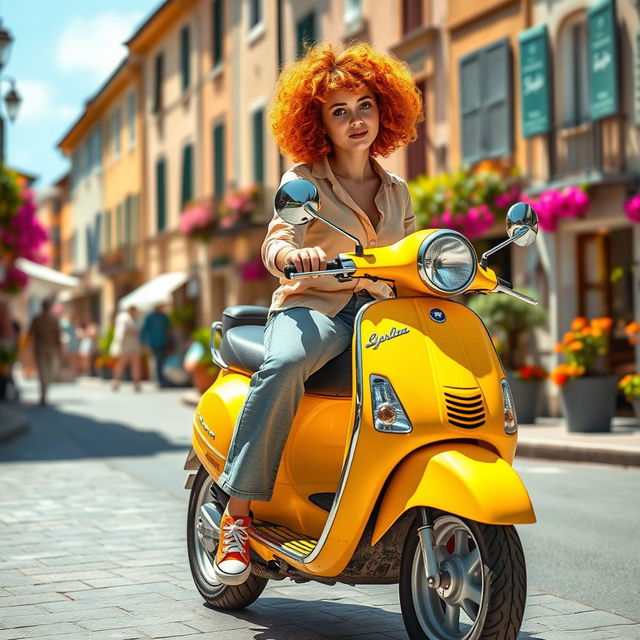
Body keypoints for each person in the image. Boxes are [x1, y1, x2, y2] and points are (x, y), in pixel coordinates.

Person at [212, 42, 422, 585]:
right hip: (315, 306)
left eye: (365, 105)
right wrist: (292, 255)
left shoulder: (397, 190)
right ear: (318, 123)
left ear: (385, 110)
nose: (356, 120)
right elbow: (276, 243)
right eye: (339, 111)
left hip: (380, 312)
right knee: (284, 365)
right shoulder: (302, 181)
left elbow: (411, 253)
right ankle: (236, 515)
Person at [27, 299, 62, 405]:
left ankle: (44, 391)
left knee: (45, 372)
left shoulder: (41, 319)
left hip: (44, 349)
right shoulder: (50, 319)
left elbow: (30, 334)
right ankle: (44, 393)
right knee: (46, 371)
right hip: (47, 349)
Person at [110, 305, 142, 391]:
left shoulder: (138, 319)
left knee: (135, 364)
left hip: (134, 344)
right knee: (121, 363)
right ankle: (116, 381)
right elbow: (123, 331)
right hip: (124, 344)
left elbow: (139, 331)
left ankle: (136, 383)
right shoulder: (123, 318)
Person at [140, 305, 171, 387]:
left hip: (163, 342)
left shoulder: (163, 317)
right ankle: (160, 380)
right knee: (158, 360)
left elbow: (168, 327)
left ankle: (161, 379)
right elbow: (144, 330)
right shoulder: (150, 317)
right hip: (154, 342)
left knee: (161, 361)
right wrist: (143, 342)